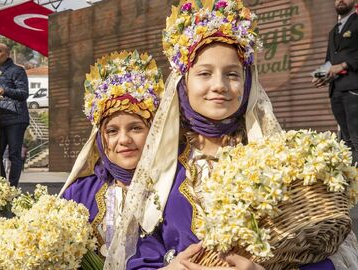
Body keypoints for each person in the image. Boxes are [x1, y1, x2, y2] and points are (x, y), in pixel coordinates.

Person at [104, 1, 358, 270]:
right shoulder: (161, 165)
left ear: (247, 83)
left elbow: (324, 247)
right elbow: (138, 250)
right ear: (183, 82)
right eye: (204, 73)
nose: (219, 86)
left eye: (232, 74)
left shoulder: (279, 162)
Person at [58, 50, 164, 258]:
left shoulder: (172, 190)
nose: (124, 140)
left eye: (135, 128)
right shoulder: (79, 195)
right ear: (99, 138)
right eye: (112, 131)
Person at [313, 0, 358, 166]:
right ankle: (350, 183)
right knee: (345, 140)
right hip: (336, 91)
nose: (340, 0)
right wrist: (321, 75)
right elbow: (329, 61)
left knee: (356, 138)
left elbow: (341, 63)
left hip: (354, 89)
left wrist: (344, 66)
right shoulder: (333, 31)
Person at [0, 43, 29, 187]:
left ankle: (13, 187)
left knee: (14, 155)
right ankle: (3, 189)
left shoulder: (18, 71)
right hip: (0, 118)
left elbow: (23, 94)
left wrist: (4, 90)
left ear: (7, 54)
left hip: (16, 118)